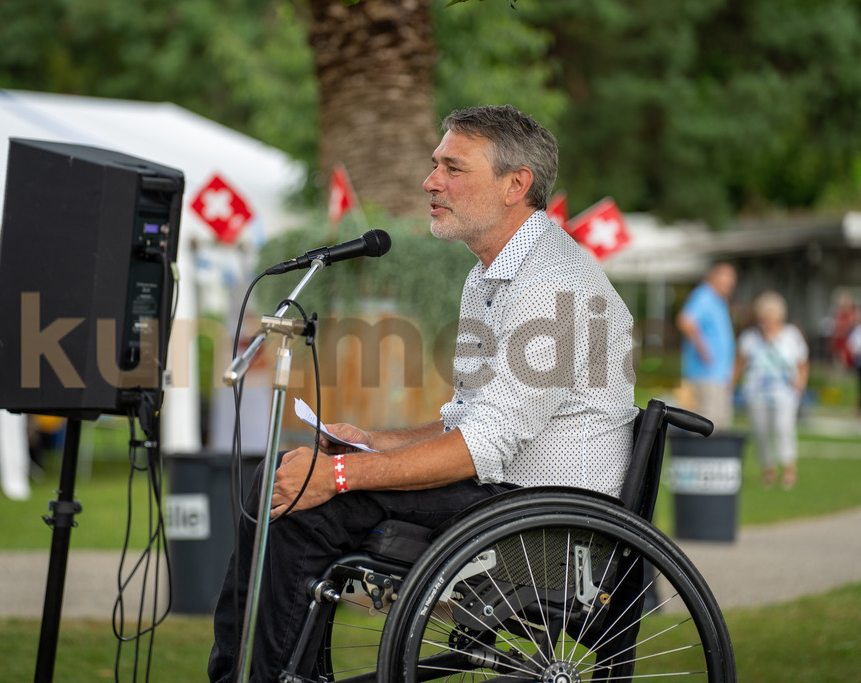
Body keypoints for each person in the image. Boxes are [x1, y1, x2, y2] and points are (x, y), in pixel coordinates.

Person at [207, 105, 638, 682]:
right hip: (502, 491)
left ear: (517, 184)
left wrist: (340, 475)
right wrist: (370, 442)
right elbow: (467, 419)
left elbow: (482, 446)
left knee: (309, 500)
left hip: (541, 524)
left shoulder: (551, 285)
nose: (431, 181)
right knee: (279, 477)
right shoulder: (492, 273)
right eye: (436, 165)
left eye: (453, 168)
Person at [733, 291, 809, 489]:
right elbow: (739, 364)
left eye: (771, 315)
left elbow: (802, 363)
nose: (767, 320)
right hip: (756, 392)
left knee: (784, 429)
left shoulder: (791, 335)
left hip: (784, 393)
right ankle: (768, 470)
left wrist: (800, 383)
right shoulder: (750, 337)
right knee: (761, 432)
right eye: (764, 315)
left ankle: (789, 470)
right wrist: (732, 384)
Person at [675, 263, 737, 431]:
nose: (729, 284)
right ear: (714, 277)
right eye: (725, 279)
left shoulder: (718, 300)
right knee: (707, 425)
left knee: (720, 424)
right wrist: (703, 349)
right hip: (705, 375)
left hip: (718, 375)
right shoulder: (704, 296)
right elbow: (685, 321)